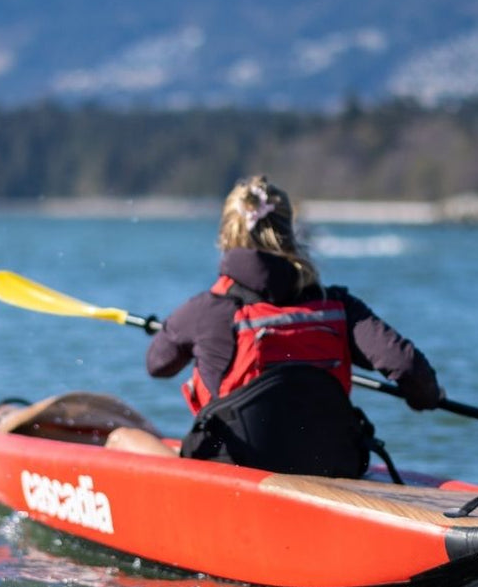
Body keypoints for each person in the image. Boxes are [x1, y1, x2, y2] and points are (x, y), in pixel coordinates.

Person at [106, 174, 442, 477]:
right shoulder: (338, 305)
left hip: (237, 467)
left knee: (121, 438)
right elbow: (408, 366)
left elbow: (157, 365)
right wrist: (426, 397)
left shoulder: (207, 309)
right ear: (289, 233)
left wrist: (179, 336)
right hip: (331, 463)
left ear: (226, 234)